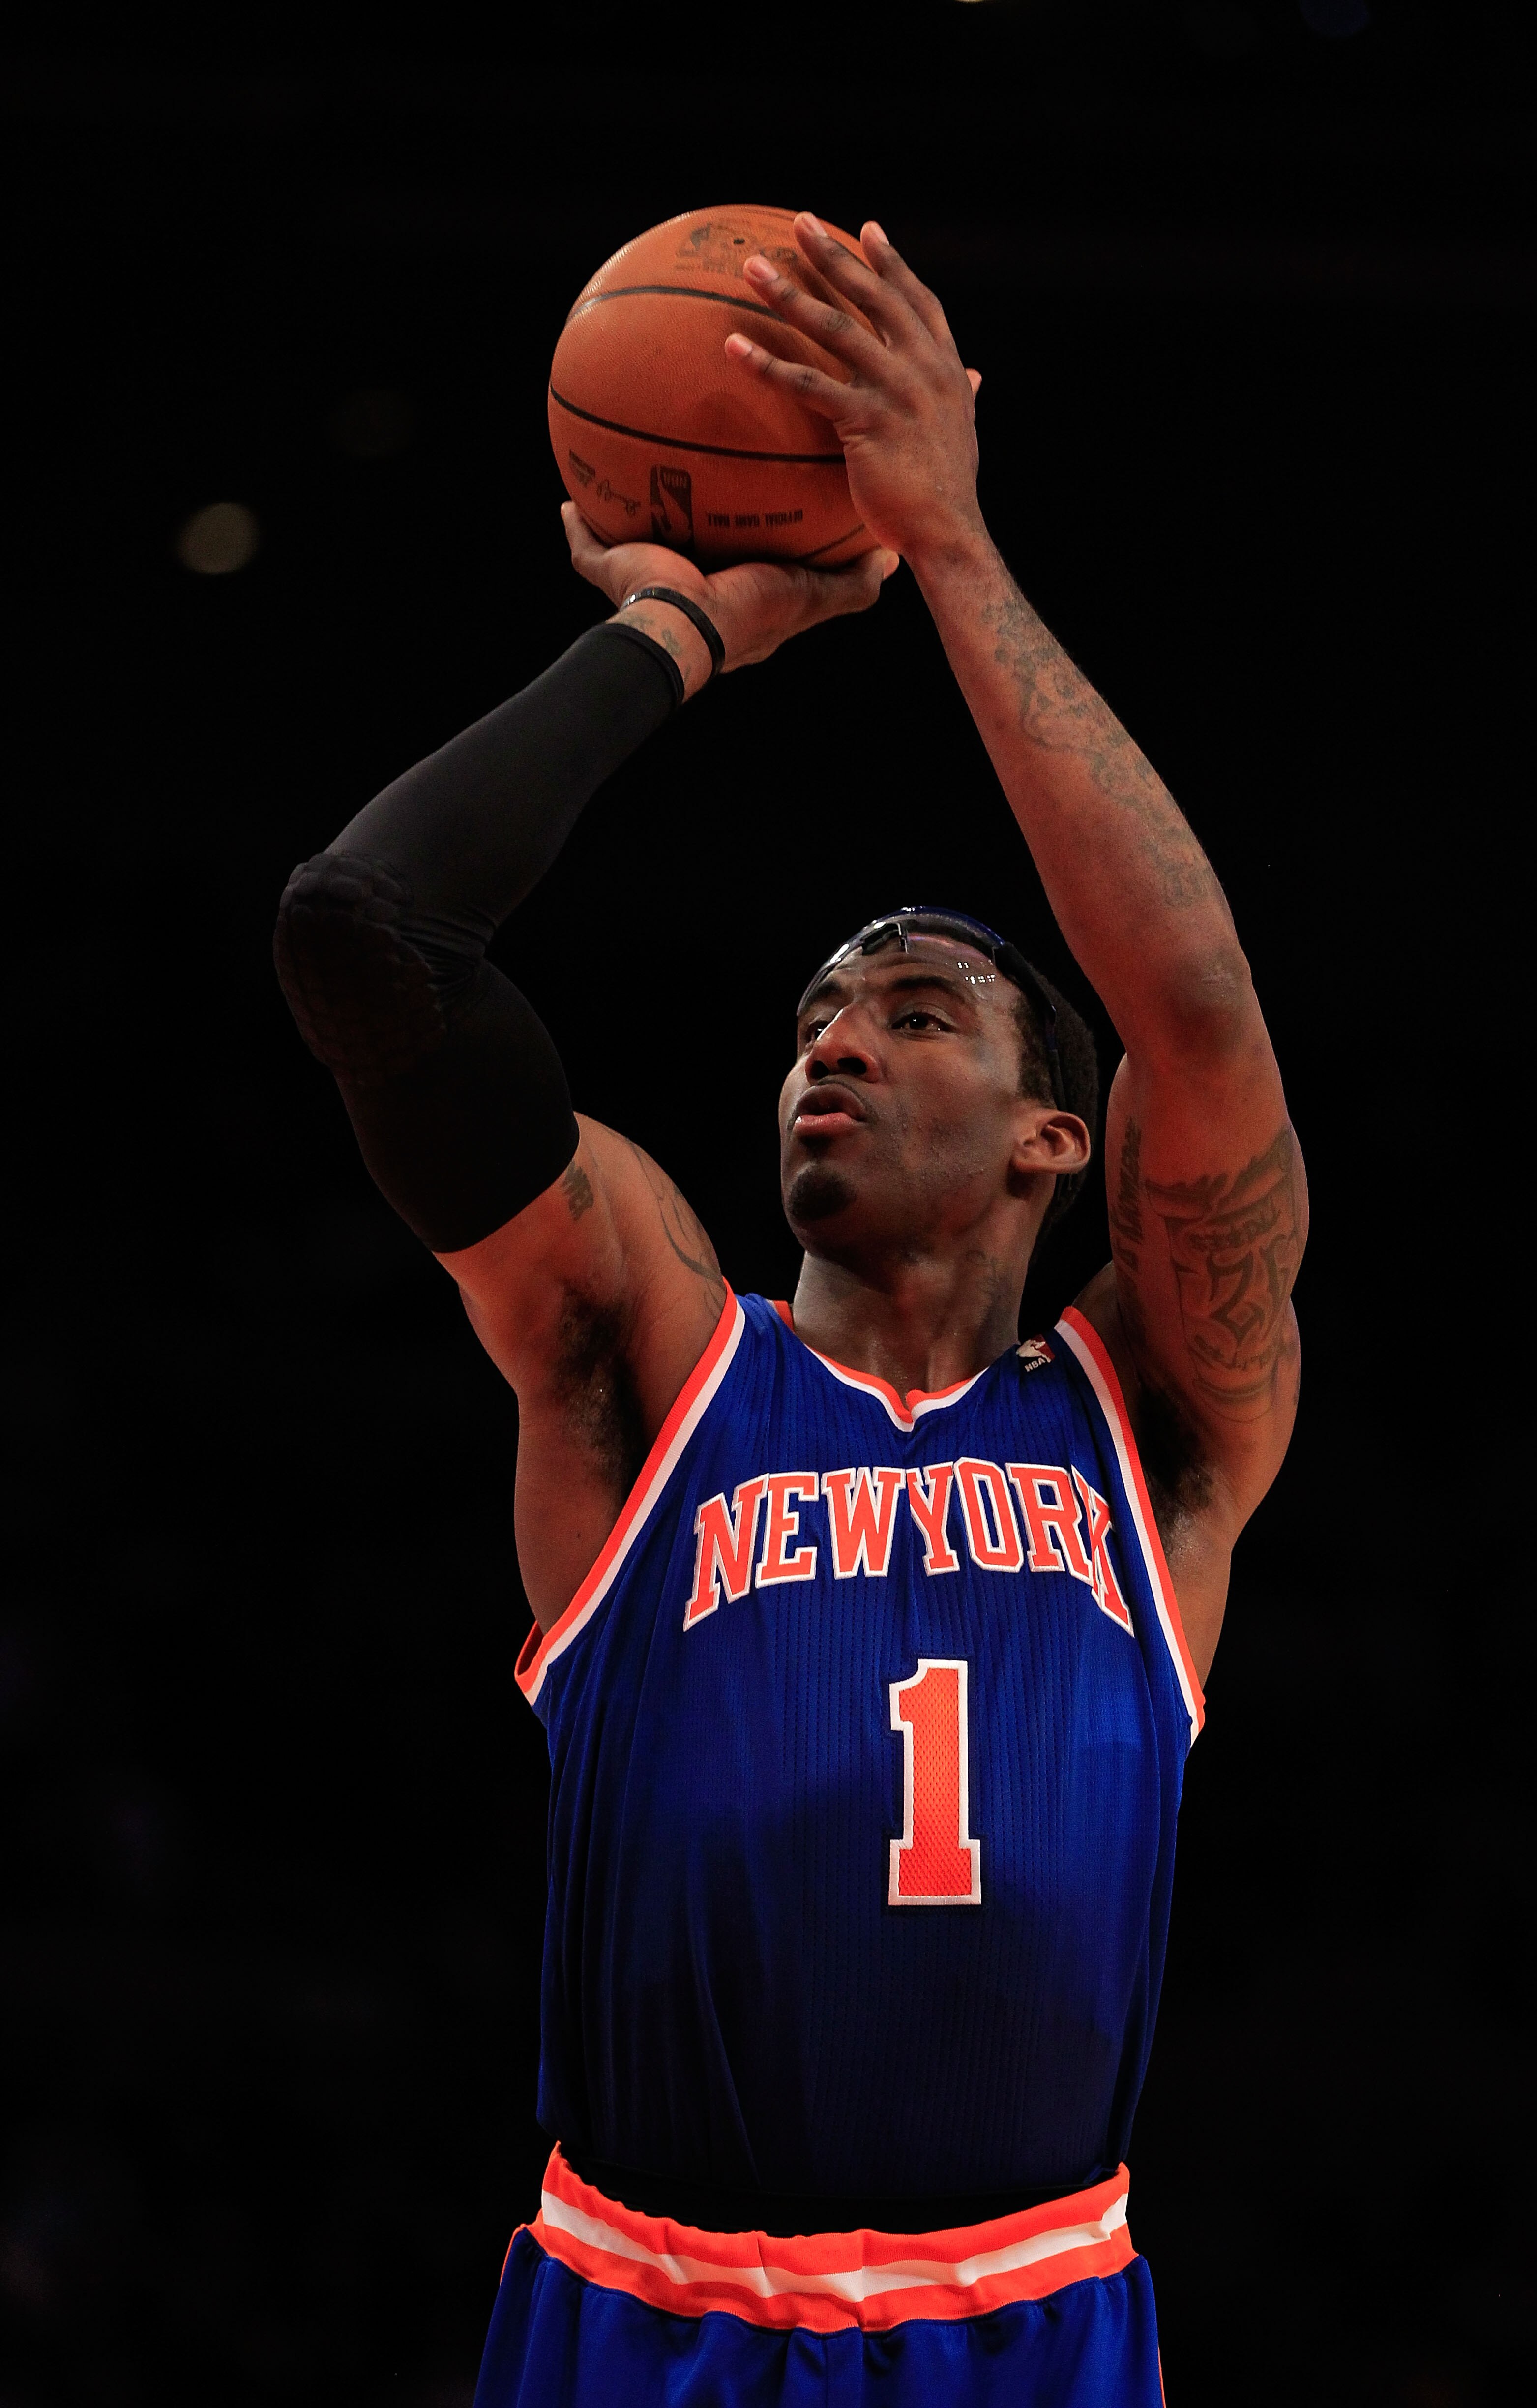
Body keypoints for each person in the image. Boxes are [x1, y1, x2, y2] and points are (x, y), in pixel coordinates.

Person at [275, 212, 1305, 2407]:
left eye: (916, 1015)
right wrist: (679, 633)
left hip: (1031, 2321)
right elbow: (368, 935)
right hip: (644, 2314)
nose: (832, 1043)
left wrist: (949, 551)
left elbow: (1195, 1015)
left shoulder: (1158, 1428)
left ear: (1055, 1140)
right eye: (815, 1017)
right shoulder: (653, 1358)